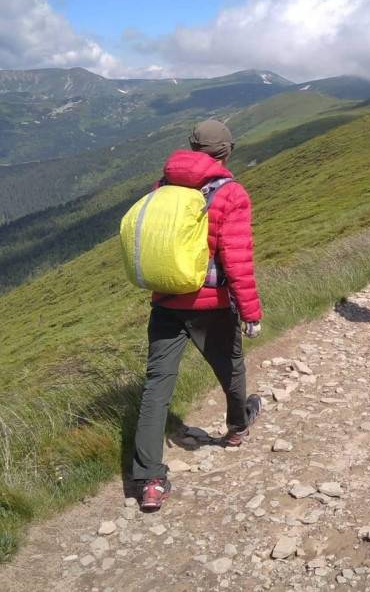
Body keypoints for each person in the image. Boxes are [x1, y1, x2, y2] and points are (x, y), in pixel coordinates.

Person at [133, 119, 263, 512]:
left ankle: (149, 479)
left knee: (157, 387)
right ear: (226, 151)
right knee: (231, 368)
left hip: (166, 300)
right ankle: (237, 428)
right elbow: (236, 260)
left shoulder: (163, 186)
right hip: (211, 305)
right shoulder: (231, 194)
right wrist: (251, 313)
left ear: (191, 148)